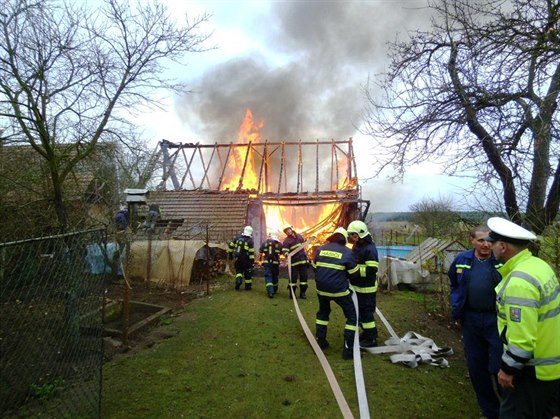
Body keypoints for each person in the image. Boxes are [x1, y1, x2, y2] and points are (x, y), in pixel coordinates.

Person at [485, 216, 560, 418]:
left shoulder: (519, 282)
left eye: (492, 243)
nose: (489, 247)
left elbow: (523, 339)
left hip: (531, 373)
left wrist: (508, 369)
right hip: (551, 369)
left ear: (503, 246)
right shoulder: (539, 266)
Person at [448, 225, 503, 419]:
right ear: (472, 240)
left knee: (499, 367)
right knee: (476, 368)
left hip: (495, 320)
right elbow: (454, 282)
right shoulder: (462, 260)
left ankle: (509, 410)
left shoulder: (501, 262)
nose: (486, 244)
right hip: (470, 320)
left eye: (489, 240)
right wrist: (456, 305)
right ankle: (490, 412)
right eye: (481, 240)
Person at [312, 227, 360, 360]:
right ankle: (348, 350)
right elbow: (354, 274)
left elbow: (315, 267)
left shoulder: (320, 249)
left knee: (323, 313)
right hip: (339, 291)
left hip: (321, 290)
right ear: (344, 239)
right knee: (351, 317)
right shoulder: (347, 252)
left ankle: (320, 341)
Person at [346, 220, 380, 348]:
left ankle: (371, 339)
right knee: (360, 313)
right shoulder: (358, 246)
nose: (351, 238)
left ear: (359, 235)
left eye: (352, 235)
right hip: (358, 287)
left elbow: (371, 270)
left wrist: (354, 271)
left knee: (366, 314)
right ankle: (366, 334)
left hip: (367, 288)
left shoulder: (370, 249)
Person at [282, 225, 309, 299]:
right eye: (286, 231)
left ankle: (303, 293)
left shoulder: (299, 236)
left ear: (291, 229)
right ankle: (292, 294)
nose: (288, 231)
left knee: (304, 279)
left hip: (303, 261)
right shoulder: (286, 241)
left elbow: (304, 245)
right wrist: (288, 254)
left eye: (288, 230)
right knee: (293, 279)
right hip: (294, 263)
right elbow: (284, 251)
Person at [227, 226, 255, 291]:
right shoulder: (250, 241)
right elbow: (251, 253)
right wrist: (252, 262)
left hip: (238, 258)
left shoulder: (237, 238)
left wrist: (230, 255)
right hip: (246, 260)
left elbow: (231, 246)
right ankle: (248, 287)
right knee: (247, 273)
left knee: (239, 271)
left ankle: (238, 281)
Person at [259, 232, 282, 298]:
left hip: (267, 263)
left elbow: (260, 250)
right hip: (275, 264)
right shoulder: (279, 244)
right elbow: (282, 252)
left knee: (268, 276)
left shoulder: (265, 243)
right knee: (275, 276)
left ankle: (270, 292)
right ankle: (274, 290)